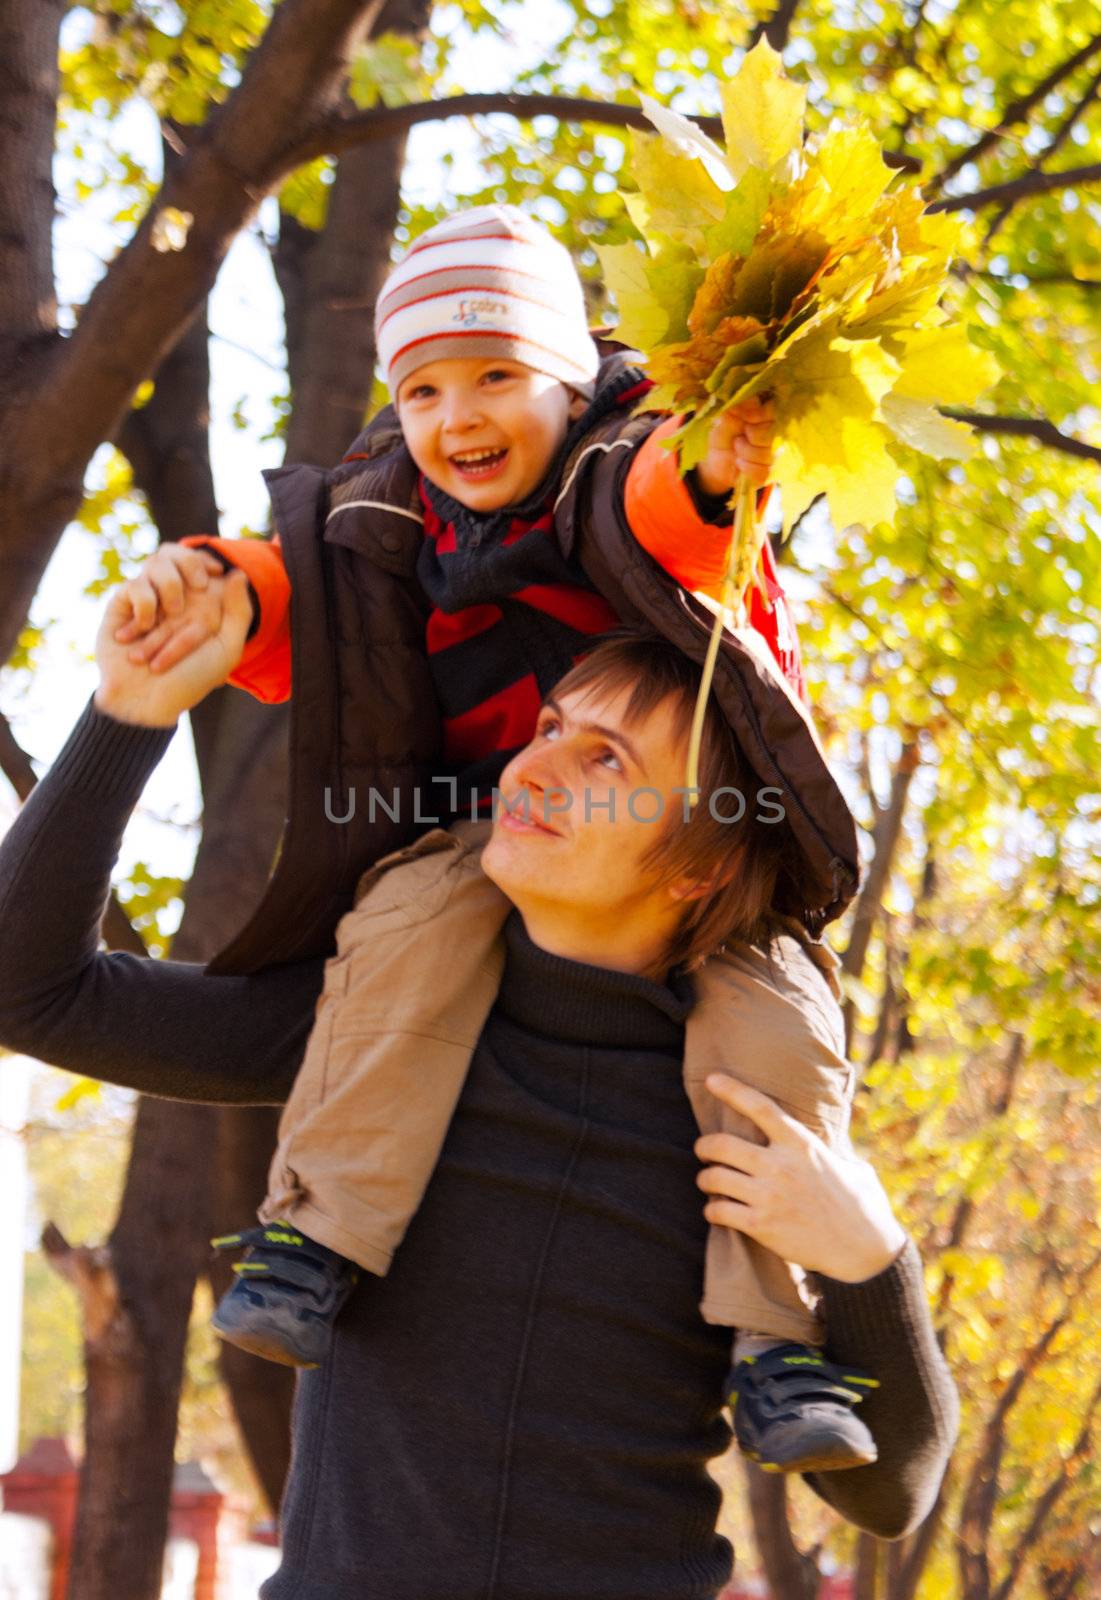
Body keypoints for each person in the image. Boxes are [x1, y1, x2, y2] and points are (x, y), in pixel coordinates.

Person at [104, 203, 864, 1466]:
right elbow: (298, 588)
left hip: (699, 834)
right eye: (424, 387)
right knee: (406, 926)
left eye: (500, 376)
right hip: (497, 833)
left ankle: (776, 1340)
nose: (460, 417)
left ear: (571, 378)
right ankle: (314, 1235)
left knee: (775, 1026)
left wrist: (720, 468)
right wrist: (212, 589)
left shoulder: (618, 457)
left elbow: (659, 505)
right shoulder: (385, 513)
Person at [0, 601, 957, 1599]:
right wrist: (129, 710)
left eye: (606, 763)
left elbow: (890, 1494)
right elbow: (28, 990)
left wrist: (871, 1259)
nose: (533, 768)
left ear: (704, 867)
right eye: (549, 728)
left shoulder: (752, 1113)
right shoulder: (371, 1033)